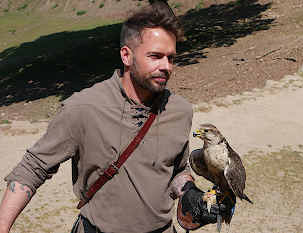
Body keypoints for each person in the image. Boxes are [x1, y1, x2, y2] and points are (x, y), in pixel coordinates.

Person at [0, 3, 222, 233]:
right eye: (155, 56)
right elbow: (33, 168)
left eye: (171, 58)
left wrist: (189, 193)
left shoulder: (180, 111)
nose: (166, 66)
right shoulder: (83, 108)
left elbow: (177, 170)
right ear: (126, 55)